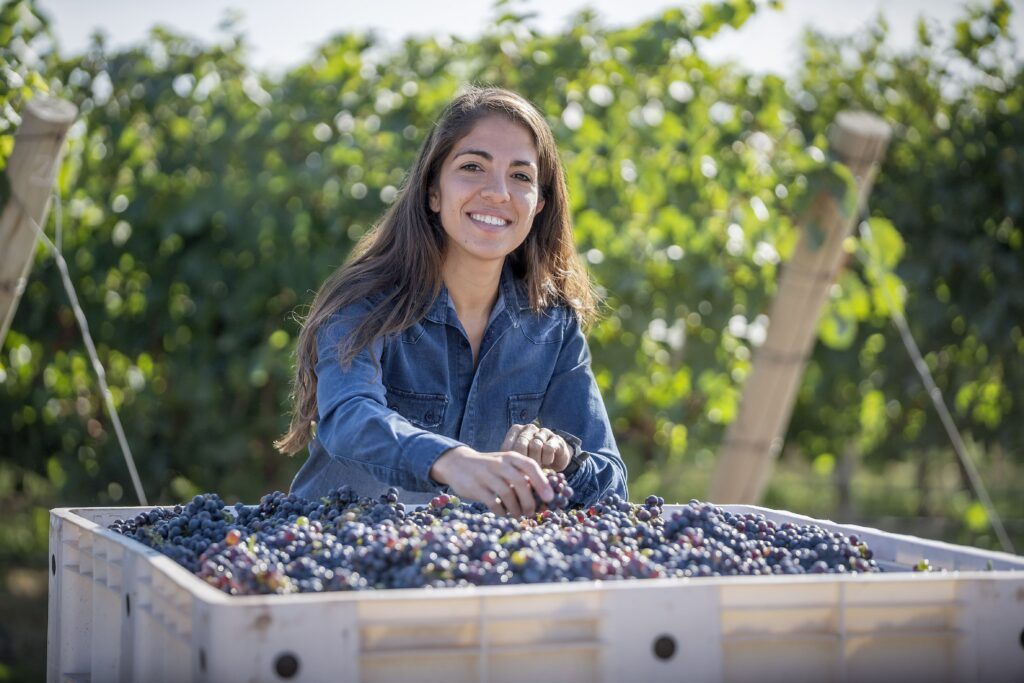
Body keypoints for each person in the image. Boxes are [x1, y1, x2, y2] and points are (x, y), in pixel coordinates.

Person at [276, 86, 627, 516]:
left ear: (538, 205)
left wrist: (566, 458)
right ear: (433, 191)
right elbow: (349, 419)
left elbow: (612, 483)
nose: (498, 192)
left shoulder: (551, 325)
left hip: (458, 574)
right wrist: (452, 461)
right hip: (326, 558)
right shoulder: (363, 304)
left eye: (520, 176)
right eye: (472, 167)